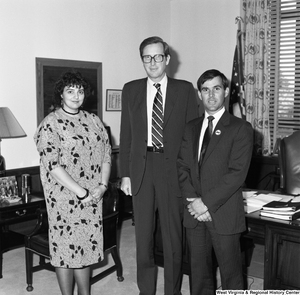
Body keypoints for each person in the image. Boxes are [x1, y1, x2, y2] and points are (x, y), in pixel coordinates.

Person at [119, 36, 199, 295]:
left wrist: (190, 177)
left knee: (173, 239)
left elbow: (191, 138)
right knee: (143, 239)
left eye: (157, 57)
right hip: (141, 170)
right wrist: (125, 175)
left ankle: (172, 292)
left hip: (172, 170)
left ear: (167, 59)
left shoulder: (185, 90)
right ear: (142, 59)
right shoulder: (130, 89)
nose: (152, 62)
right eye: (146, 57)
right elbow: (126, 135)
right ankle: (146, 291)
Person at [34, 71, 111, 295]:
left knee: (85, 246)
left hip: (93, 194)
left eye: (80, 91)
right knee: (65, 248)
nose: (76, 96)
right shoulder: (51, 123)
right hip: (64, 197)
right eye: (70, 91)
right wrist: (81, 192)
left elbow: (106, 154)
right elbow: (53, 165)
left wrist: (103, 186)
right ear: (61, 94)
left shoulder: (94, 120)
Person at [177, 69, 253, 294]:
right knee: (199, 276)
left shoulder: (241, 128)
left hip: (224, 213)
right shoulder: (190, 127)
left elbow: (236, 174)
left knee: (232, 277)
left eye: (216, 89)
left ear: (226, 91)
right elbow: (182, 167)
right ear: (199, 94)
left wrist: (205, 203)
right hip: (195, 213)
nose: (211, 95)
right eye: (205, 90)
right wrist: (194, 202)